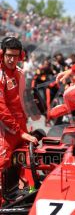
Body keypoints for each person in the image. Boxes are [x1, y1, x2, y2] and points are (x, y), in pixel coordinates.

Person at [0, 36, 38, 177]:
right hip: (5, 130)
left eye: (15, 56)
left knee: (25, 163)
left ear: (20, 56)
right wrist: (19, 131)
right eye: (9, 55)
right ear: (2, 53)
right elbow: (1, 108)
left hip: (20, 127)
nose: (11, 60)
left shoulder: (20, 73)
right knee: (2, 162)